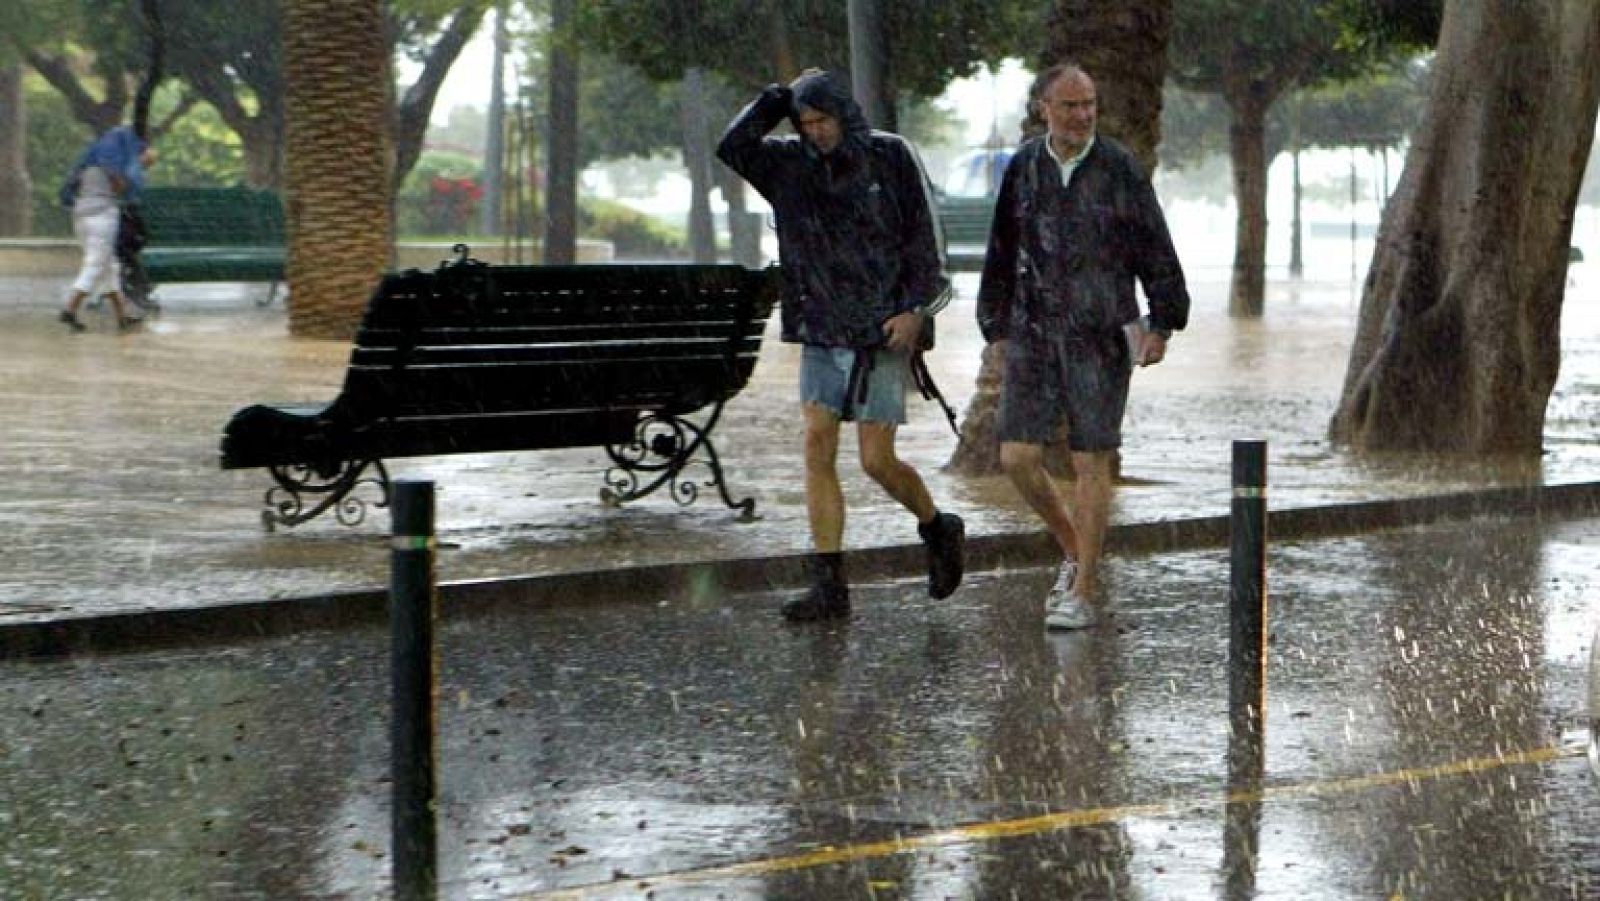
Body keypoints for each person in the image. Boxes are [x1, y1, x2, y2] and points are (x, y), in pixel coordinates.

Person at [718, 68, 966, 622]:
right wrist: (779, 96)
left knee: (877, 460)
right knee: (816, 445)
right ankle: (830, 585)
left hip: (880, 329)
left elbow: (926, 241)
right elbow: (732, 145)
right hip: (820, 325)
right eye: (805, 122)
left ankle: (936, 526)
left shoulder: (890, 156)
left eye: (823, 118)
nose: (816, 131)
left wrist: (916, 311)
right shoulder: (787, 162)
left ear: (844, 114)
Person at [976, 63, 1190, 631]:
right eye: (1070, 106)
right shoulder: (1023, 167)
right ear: (1044, 108)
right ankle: (1075, 550)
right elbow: (1002, 249)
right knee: (1016, 457)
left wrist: (1163, 323)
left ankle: (1085, 588)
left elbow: (1155, 245)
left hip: (1102, 331)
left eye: (1089, 104)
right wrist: (994, 326)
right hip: (1032, 330)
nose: (1082, 115)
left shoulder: (1120, 168)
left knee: (1091, 457)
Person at [57, 126, 155, 332]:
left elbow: (71, 190)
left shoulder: (88, 163)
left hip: (81, 215)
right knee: (95, 264)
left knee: (109, 266)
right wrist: (141, 165)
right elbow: (124, 189)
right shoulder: (115, 167)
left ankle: (123, 315)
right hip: (103, 215)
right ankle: (70, 307)